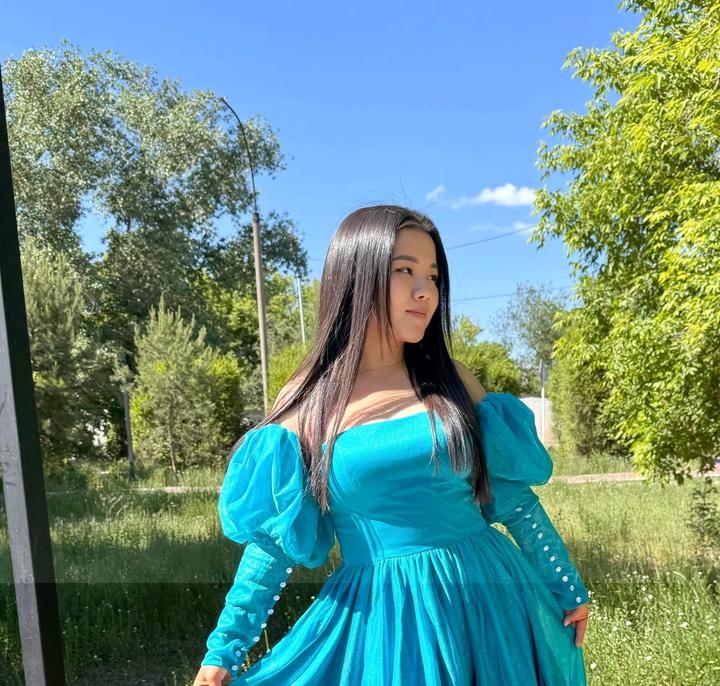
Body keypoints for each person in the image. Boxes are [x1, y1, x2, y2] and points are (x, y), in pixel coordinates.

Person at [193, 204, 590, 686]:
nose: (426, 291)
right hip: (386, 621)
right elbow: (272, 547)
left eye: (433, 276)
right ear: (356, 276)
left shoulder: (452, 380)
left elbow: (512, 499)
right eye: (405, 271)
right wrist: (224, 651)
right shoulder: (307, 403)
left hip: (490, 603)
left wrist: (566, 584)